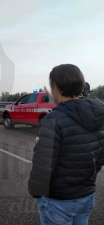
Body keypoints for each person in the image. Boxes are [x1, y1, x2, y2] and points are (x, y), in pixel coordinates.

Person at [28, 64, 104, 225]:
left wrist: (36, 192)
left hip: (59, 200)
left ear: (56, 87)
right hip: (86, 195)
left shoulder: (53, 120)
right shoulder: (99, 115)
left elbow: (43, 164)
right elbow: (100, 156)